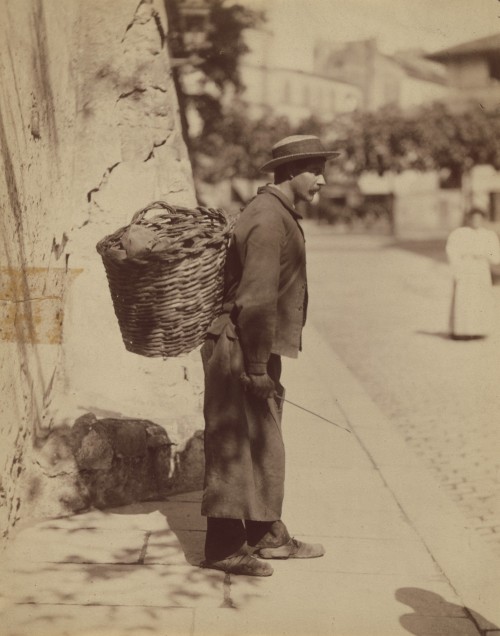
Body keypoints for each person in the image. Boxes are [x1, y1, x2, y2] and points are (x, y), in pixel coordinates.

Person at [199, 135, 338, 576]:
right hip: (239, 347)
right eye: (315, 170)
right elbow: (255, 300)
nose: (323, 179)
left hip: (253, 345)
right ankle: (223, 547)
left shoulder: (276, 213)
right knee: (233, 444)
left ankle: (267, 536)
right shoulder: (266, 219)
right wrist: (257, 368)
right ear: (289, 172)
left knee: (263, 444)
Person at [445, 207, 500, 340]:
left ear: (482, 219)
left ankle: (478, 330)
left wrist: (487, 255)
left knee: (479, 298)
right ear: (468, 219)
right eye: (473, 218)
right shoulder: (459, 233)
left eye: (479, 218)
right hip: (465, 268)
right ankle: (461, 330)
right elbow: (451, 250)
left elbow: (495, 255)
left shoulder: (488, 235)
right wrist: (458, 265)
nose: (476, 221)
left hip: (481, 268)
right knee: (464, 298)